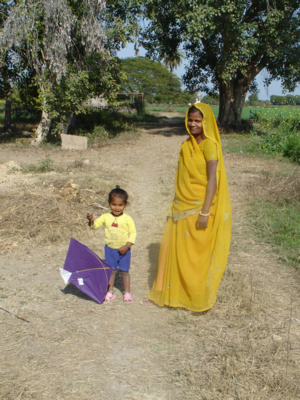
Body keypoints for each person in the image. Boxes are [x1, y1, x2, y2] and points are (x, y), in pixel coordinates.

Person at [148, 103, 232, 312]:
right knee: (177, 254)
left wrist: (204, 211)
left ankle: (195, 299)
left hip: (200, 208)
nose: (193, 124)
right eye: (190, 119)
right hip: (181, 206)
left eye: (197, 120)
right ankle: (174, 296)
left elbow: (212, 179)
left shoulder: (209, 145)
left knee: (196, 258)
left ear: (206, 122)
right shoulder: (186, 145)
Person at [87, 186, 136, 303]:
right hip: (110, 250)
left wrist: (127, 246)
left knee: (124, 272)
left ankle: (127, 293)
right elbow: (94, 226)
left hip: (124, 251)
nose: (117, 208)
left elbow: (133, 233)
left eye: (120, 205)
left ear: (125, 205)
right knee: (111, 271)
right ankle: (110, 292)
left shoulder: (128, 219)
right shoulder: (105, 217)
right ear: (109, 204)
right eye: (114, 204)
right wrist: (90, 220)